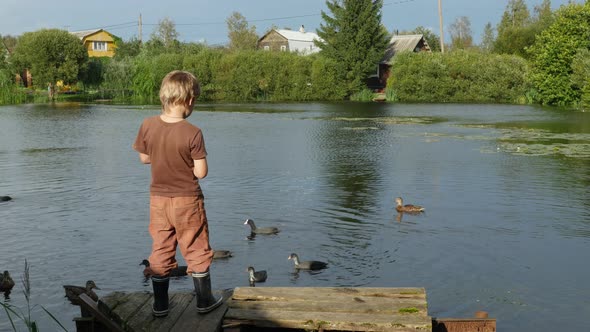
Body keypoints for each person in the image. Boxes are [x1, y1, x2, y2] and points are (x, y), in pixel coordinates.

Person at [132, 70, 222, 317]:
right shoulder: (192, 132)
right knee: (195, 247)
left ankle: (160, 305)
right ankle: (204, 301)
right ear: (191, 100)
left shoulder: (147, 125)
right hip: (187, 200)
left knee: (161, 248)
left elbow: (144, 158)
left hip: (158, 201)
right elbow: (201, 172)